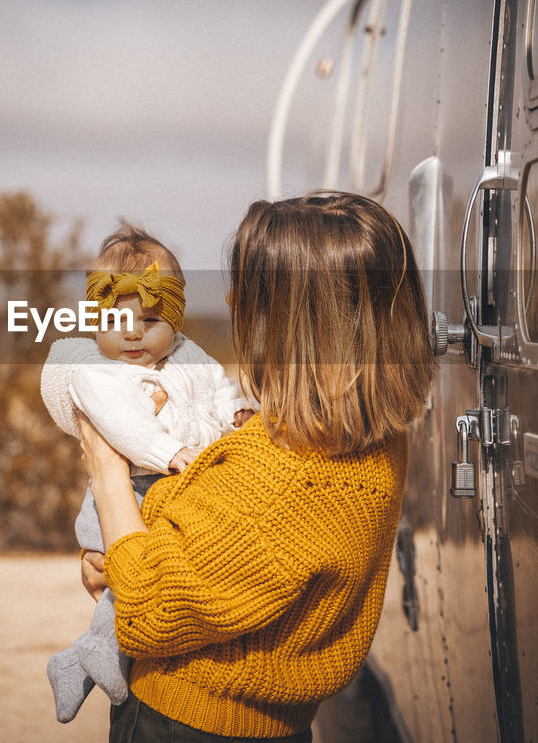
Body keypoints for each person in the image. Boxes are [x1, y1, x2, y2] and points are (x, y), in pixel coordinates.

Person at [76, 192, 434, 741]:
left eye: (248, 291)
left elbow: (148, 609)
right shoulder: (376, 437)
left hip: (186, 722)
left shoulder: (285, 472)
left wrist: (105, 466)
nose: (229, 299)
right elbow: (227, 545)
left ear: (293, 321)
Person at [42, 222, 251, 723]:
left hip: (163, 490)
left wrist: (236, 414)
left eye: (151, 320)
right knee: (138, 582)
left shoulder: (188, 357)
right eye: (117, 320)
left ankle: (85, 658)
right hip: (127, 494)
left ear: (175, 322)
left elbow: (215, 387)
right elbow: (122, 424)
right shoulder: (95, 370)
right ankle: (100, 653)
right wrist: (167, 450)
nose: (133, 333)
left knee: (143, 585)